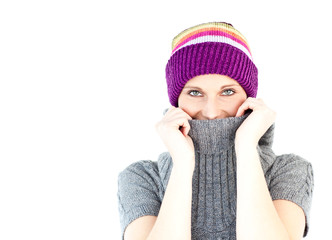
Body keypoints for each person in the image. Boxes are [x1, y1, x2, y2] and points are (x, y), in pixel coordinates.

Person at [117, 22, 314, 240]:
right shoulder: (142, 178)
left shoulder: (288, 171)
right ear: (176, 102)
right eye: (194, 92)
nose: (211, 112)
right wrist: (182, 163)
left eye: (228, 91)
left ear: (249, 99)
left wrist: (246, 147)